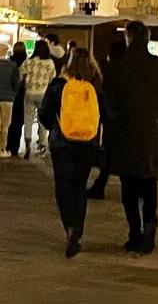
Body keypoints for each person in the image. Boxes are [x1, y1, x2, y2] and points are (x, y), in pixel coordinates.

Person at [105, 20, 158, 253]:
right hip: (151, 133)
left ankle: (134, 232)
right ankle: (150, 230)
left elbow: (110, 105)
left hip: (125, 133)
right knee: (149, 184)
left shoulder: (116, 67)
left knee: (129, 189)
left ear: (129, 37)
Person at [38, 46, 107, 256]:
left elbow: (44, 114)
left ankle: (69, 226)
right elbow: (103, 115)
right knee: (79, 187)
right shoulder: (96, 86)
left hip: (62, 144)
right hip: (87, 143)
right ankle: (78, 229)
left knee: (63, 187)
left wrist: (56, 127)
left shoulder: (59, 85)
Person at [87, 33, 130, 201]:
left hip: (109, 117)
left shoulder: (107, 68)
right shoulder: (128, 69)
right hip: (125, 117)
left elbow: (101, 91)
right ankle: (129, 187)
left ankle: (100, 185)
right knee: (124, 152)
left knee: (110, 152)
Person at [19, 40, 57, 157]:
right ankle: (42, 146)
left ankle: (27, 146)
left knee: (28, 119)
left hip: (29, 93)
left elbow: (20, 76)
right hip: (43, 94)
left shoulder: (28, 62)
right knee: (42, 121)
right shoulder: (50, 63)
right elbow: (52, 78)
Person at [5, 40, 30, 157]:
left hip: (11, 93)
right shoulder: (27, 62)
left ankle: (7, 145)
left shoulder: (10, 62)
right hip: (22, 94)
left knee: (9, 120)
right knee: (19, 122)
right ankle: (15, 147)